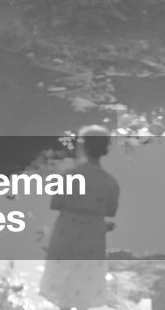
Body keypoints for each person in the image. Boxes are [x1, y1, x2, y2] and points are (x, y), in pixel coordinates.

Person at [39, 125, 121, 310]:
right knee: (85, 287)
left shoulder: (69, 176)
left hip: (66, 235)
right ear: (106, 149)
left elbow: (56, 203)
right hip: (92, 239)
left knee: (63, 288)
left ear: (83, 147)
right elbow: (110, 211)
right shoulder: (110, 183)